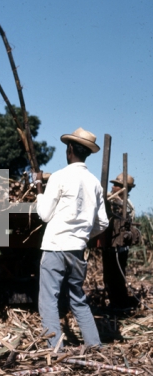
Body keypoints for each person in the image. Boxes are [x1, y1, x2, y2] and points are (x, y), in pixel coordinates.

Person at [35, 127, 109, 348]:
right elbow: (103, 222)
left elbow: (45, 214)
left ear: (69, 150)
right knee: (78, 298)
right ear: (86, 153)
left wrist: (39, 190)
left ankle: (55, 350)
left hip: (56, 246)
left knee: (49, 300)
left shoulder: (59, 177)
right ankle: (94, 345)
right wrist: (84, 235)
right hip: (77, 249)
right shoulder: (95, 183)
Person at [103, 173, 140, 308]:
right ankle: (115, 304)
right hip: (108, 246)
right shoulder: (109, 199)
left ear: (126, 189)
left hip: (119, 249)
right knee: (108, 278)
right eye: (114, 185)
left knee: (117, 278)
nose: (113, 187)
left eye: (117, 185)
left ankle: (120, 306)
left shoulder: (127, 205)